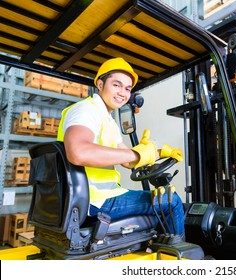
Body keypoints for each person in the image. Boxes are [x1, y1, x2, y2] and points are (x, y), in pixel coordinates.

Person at [56, 57, 185, 236]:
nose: (122, 93)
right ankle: (180, 257)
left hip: (99, 197)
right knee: (173, 201)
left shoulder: (107, 120)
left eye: (127, 88)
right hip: (95, 200)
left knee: (161, 206)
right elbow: (78, 152)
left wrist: (157, 153)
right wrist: (135, 155)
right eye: (116, 85)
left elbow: (128, 161)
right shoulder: (86, 110)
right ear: (100, 85)